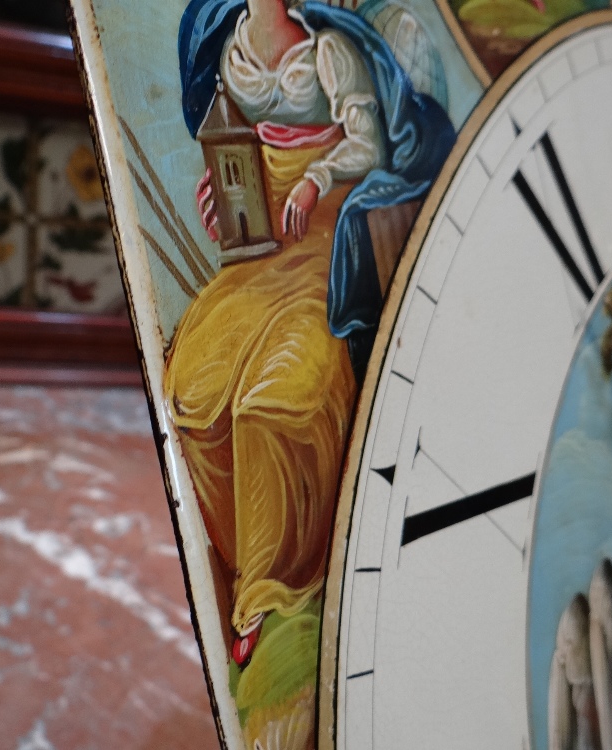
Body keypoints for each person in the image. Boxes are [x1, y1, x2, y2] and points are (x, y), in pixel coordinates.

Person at [167, 0, 454, 666]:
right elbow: (232, 142)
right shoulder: (227, 45)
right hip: (264, 248)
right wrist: (223, 191)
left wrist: (316, 179)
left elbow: (373, 145)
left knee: (273, 402)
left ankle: (272, 596)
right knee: (192, 391)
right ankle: (238, 567)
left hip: (328, 241)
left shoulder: (330, 48)